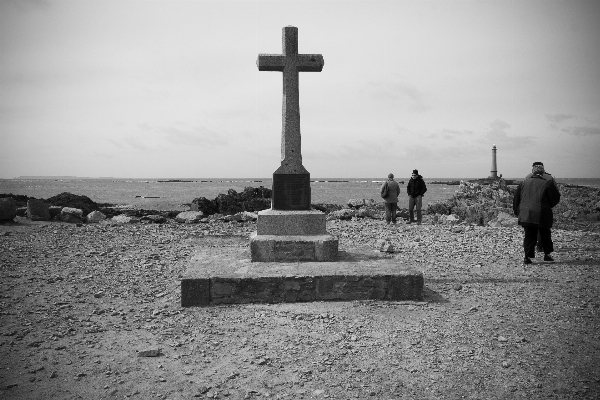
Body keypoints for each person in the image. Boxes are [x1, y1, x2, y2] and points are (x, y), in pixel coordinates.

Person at [513, 162, 561, 264]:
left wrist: (517, 211)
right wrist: (548, 206)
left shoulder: (523, 183)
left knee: (529, 235)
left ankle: (527, 256)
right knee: (545, 233)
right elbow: (556, 197)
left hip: (526, 213)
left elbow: (516, 198)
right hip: (542, 213)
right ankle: (547, 254)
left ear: (532, 171)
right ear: (543, 172)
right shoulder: (547, 182)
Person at [523, 162, 558, 253]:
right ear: (543, 168)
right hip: (544, 206)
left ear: (533, 168)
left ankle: (531, 250)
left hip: (530, 207)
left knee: (532, 229)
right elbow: (555, 194)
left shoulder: (527, 178)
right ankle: (542, 247)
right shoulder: (549, 178)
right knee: (544, 228)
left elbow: (523, 193)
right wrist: (550, 204)